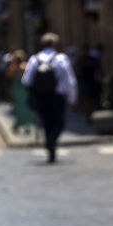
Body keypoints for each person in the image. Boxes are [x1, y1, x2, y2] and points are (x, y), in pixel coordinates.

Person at [22, 33, 78, 163]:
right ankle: (51, 142)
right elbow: (70, 81)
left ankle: (50, 150)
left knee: (47, 123)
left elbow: (26, 81)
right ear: (55, 45)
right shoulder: (61, 58)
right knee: (59, 122)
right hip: (57, 96)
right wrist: (73, 98)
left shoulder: (34, 59)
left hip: (41, 97)